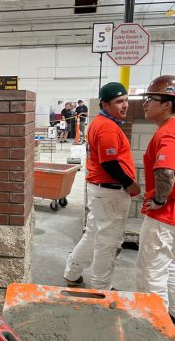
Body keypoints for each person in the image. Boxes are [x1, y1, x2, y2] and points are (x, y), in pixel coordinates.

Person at [64, 82, 140, 289]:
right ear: (105, 104)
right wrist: (130, 184)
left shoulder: (101, 122)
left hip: (101, 190)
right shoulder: (107, 127)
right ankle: (101, 288)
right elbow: (109, 163)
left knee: (94, 233)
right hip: (110, 192)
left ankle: (72, 272)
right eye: (119, 102)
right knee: (109, 240)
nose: (125, 105)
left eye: (126, 100)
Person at [135, 75, 175, 324]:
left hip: (163, 217)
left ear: (167, 104)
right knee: (169, 270)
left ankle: (154, 329)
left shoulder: (168, 133)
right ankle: (170, 322)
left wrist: (159, 200)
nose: (145, 103)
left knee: (151, 275)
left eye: (151, 99)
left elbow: (166, 172)